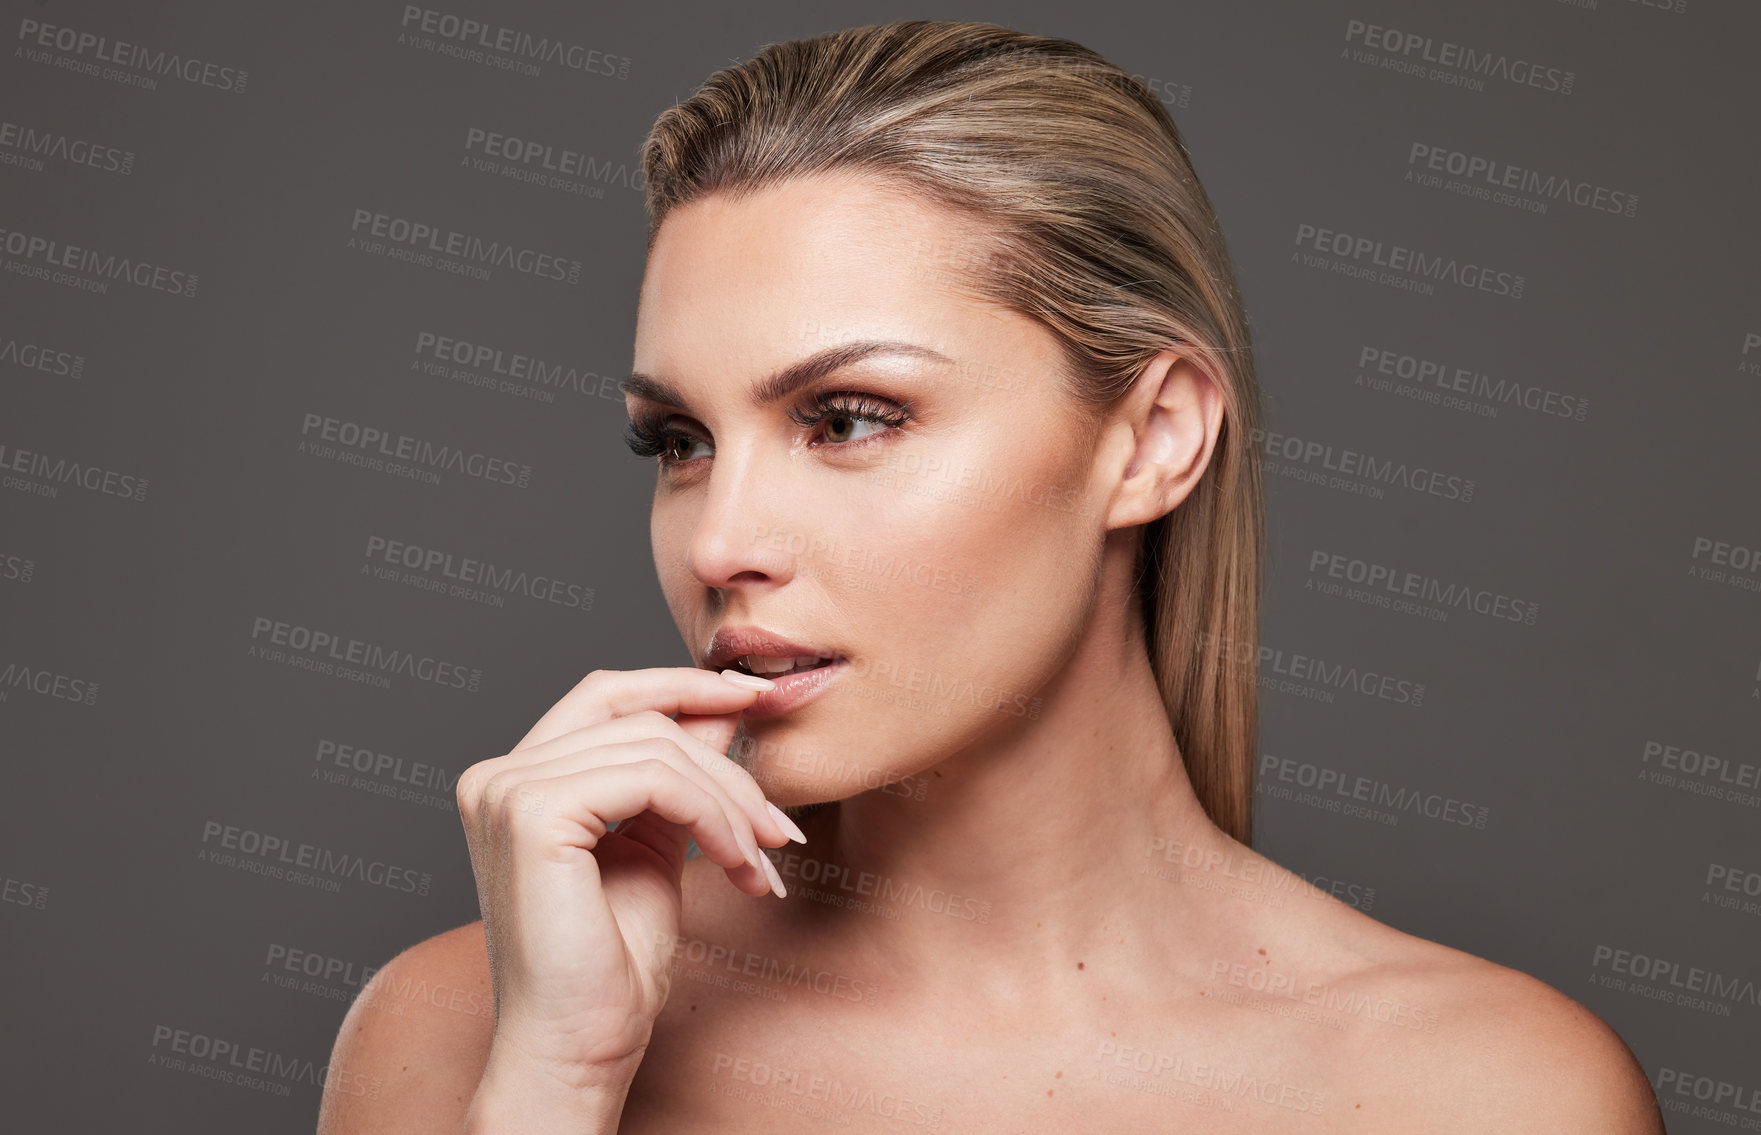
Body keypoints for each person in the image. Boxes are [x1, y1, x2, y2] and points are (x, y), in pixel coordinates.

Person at [317, 20, 1665, 1133]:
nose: (719, 541)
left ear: (1150, 440)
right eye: (677, 441)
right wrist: (554, 1088)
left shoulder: (1474, 1093)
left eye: (847, 418)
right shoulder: (465, 1041)